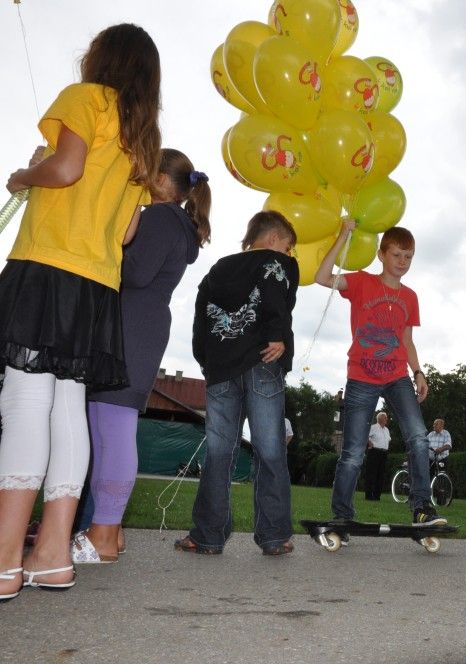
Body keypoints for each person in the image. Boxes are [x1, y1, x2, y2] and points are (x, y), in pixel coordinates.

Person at [0, 24, 161, 601]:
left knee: (23, 403)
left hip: (47, 266)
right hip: (97, 284)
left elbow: (65, 170)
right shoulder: (142, 142)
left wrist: (25, 174)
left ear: (100, 59)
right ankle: (52, 555)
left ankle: (3, 559)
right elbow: (128, 231)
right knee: (67, 408)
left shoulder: (84, 99)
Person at [73, 148, 210, 564]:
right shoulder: (176, 223)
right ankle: (109, 534)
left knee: (111, 427)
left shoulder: (160, 218)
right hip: (141, 325)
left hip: (130, 326)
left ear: (163, 181)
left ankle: (102, 534)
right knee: (108, 427)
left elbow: (134, 272)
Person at [175, 211, 298, 556]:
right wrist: (278, 335)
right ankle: (274, 536)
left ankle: (207, 536)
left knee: (218, 453)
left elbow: (201, 319)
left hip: (220, 370)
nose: (288, 256)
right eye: (288, 247)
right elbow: (278, 299)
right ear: (274, 239)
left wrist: (205, 360)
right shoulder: (274, 262)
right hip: (263, 362)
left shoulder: (217, 270)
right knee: (270, 449)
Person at [314, 221, 445, 527]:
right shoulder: (361, 283)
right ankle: (342, 516)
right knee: (354, 453)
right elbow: (321, 277)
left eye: (408, 257)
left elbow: (407, 340)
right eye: (397, 255)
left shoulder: (410, 297)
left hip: (397, 376)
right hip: (361, 377)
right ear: (381, 254)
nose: (403, 262)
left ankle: (422, 507)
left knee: (419, 438)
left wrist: (419, 372)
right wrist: (343, 235)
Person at [365, 412, 391, 501]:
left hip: (383, 453)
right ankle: (369, 495)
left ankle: (377, 496)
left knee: (381, 475)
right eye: (385, 417)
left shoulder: (386, 430)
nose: (386, 419)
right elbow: (365, 435)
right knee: (372, 474)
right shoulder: (373, 427)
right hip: (374, 452)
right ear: (379, 419)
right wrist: (369, 442)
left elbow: (388, 440)